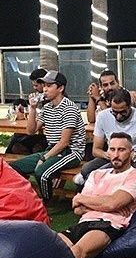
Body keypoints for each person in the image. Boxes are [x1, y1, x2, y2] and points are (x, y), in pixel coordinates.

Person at [58, 132, 136, 258]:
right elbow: (78, 209)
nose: (116, 155)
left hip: (107, 224)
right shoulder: (96, 174)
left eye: (121, 150)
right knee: (49, 247)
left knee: (76, 251)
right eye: (112, 149)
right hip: (84, 222)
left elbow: (113, 203)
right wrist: (101, 203)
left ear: (131, 152)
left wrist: (83, 198)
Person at [11, 71, 86, 201]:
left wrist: (44, 158)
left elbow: (64, 143)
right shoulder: (47, 108)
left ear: (60, 88)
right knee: (14, 167)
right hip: (52, 149)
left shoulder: (69, 108)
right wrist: (33, 108)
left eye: (49, 85)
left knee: (42, 173)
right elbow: (31, 131)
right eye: (44, 85)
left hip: (71, 152)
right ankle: (24, 198)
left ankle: (46, 203)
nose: (44, 89)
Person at [76, 88, 136, 182]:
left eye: (123, 112)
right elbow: (96, 150)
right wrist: (108, 155)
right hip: (111, 155)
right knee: (86, 169)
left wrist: (133, 156)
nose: (118, 116)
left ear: (130, 106)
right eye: (114, 112)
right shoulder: (103, 116)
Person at [7, 67, 49, 153]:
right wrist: (30, 108)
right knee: (16, 139)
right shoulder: (42, 96)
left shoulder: (54, 99)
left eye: (36, 85)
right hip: (39, 133)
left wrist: (32, 111)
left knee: (17, 141)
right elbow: (34, 125)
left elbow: (42, 119)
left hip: (47, 137)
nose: (34, 88)